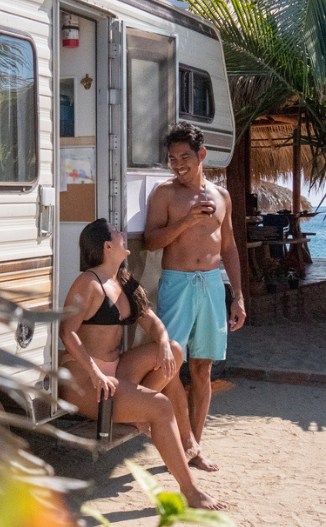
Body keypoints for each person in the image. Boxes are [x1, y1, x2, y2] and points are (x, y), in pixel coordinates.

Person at [59, 217, 226, 510]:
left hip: (116, 370)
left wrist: (162, 342)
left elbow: (153, 322)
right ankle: (190, 492)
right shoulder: (88, 283)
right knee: (160, 405)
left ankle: (141, 414)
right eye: (117, 232)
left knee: (173, 353)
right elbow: (67, 332)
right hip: (85, 380)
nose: (125, 234)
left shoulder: (122, 281)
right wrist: (95, 373)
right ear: (107, 245)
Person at [144, 121, 246, 472]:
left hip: (212, 285)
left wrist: (238, 296)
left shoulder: (222, 196)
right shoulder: (165, 194)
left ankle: (195, 448)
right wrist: (185, 222)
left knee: (203, 368)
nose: (177, 164)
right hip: (178, 283)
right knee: (171, 365)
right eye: (172, 158)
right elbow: (150, 241)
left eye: (184, 156)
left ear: (202, 155)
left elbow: (230, 247)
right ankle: (179, 439)